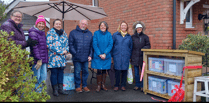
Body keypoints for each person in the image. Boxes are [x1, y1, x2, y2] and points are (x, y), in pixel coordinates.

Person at [69, 19, 93, 93]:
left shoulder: (89, 33)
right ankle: (78, 86)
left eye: (85, 24)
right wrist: (75, 53)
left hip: (86, 57)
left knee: (86, 72)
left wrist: (90, 55)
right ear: (79, 24)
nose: (83, 25)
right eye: (82, 24)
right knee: (77, 72)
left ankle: (84, 85)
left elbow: (92, 46)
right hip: (77, 57)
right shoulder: (73, 33)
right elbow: (70, 45)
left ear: (87, 25)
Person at [46, 19, 69, 96]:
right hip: (53, 58)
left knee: (61, 74)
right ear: (53, 25)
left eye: (59, 24)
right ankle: (55, 90)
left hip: (62, 58)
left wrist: (66, 50)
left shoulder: (64, 33)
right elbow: (49, 45)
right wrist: (60, 51)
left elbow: (67, 43)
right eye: (57, 24)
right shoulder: (50, 33)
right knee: (54, 74)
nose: (58, 25)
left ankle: (60, 89)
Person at [91, 21, 113, 92]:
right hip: (98, 55)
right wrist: (99, 54)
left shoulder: (109, 34)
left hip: (106, 56)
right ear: (99, 27)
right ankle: (98, 85)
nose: (103, 27)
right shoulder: (96, 33)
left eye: (104, 26)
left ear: (106, 27)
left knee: (104, 70)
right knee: (99, 70)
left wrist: (105, 53)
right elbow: (95, 44)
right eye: (101, 26)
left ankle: (103, 85)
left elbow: (110, 45)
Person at [28, 15, 48, 93]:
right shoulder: (33, 33)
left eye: (43, 24)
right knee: (37, 77)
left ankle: (40, 91)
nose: (41, 25)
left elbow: (42, 46)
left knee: (43, 76)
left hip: (43, 59)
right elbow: (35, 48)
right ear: (36, 24)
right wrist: (39, 59)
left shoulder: (42, 33)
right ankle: (36, 92)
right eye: (40, 23)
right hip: (37, 59)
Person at [112, 21, 133, 91]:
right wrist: (113, 55)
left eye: (125, 25)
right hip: (117, 55)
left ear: (127, 27)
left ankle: (123, 85)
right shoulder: (115, 35)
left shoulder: (129, 36)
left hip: (126, 56)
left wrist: (129, 56)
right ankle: (117, 85)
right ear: (120, 26)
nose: (123, 27)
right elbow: (112, 45)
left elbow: (131, 47)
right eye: (122, 25)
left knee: (124, 71)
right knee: (117, 71)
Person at [131, 21, 150, 92]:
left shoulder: (145, 37)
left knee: (143, 73)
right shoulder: (132, 37)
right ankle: (137, 85)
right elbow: (131, 47)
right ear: (136, 29)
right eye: (137, 28)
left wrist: (143, 49)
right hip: (135, 57)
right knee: (136, 73)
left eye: (140, 28)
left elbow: (148, 45)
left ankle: (142, 85)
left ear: (142, 28)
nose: (139, 29)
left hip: (142, 57)